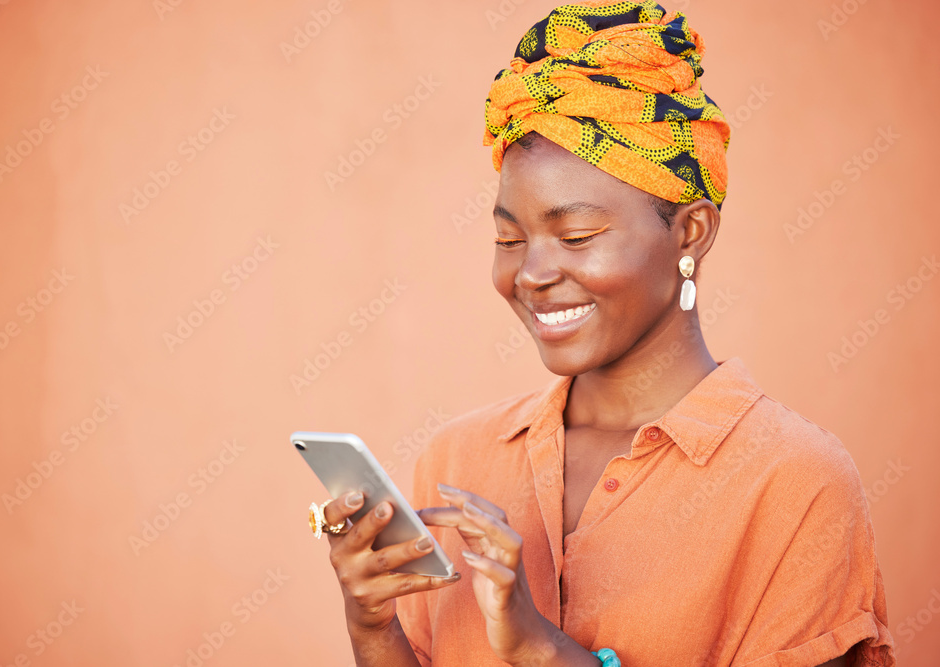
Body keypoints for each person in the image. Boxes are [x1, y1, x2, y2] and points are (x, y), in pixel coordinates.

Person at [308, 2, 897, 665]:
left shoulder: (794, 484)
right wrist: (372, 625)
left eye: (577, 236)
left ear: (691, 232)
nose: (530, 272)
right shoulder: (457, 462)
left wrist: (540, 647)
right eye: (509, 237)